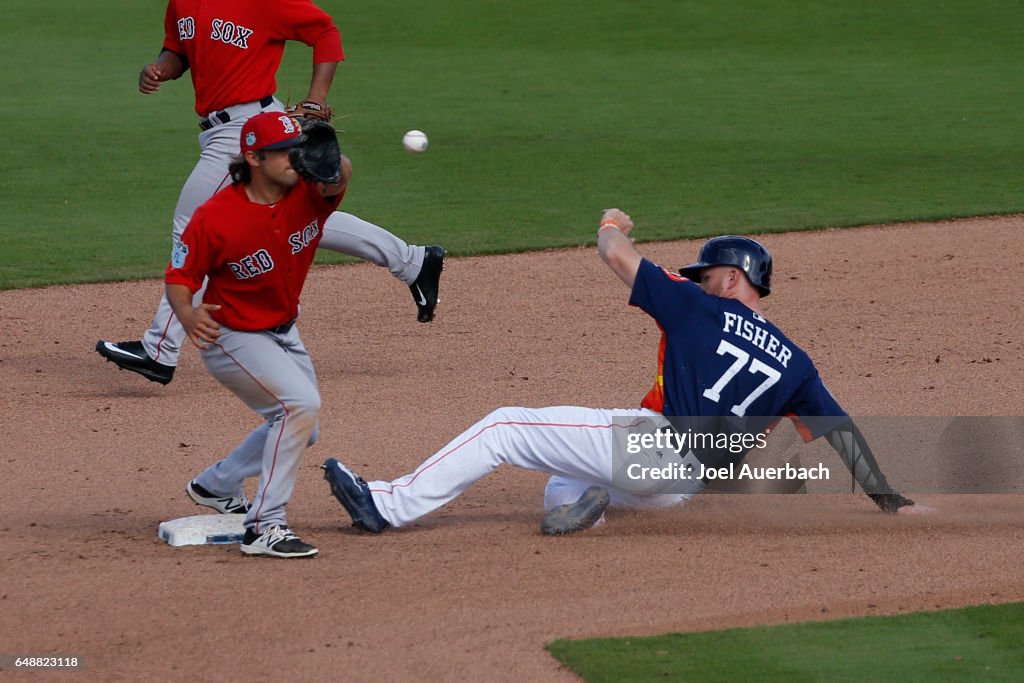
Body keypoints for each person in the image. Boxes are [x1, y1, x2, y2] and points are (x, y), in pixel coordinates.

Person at [321, 208, 922, 537]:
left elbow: (614, 254)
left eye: (705, 272)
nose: (695, 278)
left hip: (654, 450)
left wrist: (614, 223)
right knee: (568, 475)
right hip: (682, 487)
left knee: (503, 427)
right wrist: (892, 502)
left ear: (733, 279)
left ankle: (387, 505)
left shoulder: (697, 305)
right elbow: (845, 436)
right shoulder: (796, 361)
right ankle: (588, 508)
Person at [96, 0, 444, 386]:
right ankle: (414, 261)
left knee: (194, 222)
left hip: (251, 127)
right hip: (220, 129)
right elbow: (179, 49)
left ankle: (160, 349)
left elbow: (325, 32)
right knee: (289, 218)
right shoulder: (181, 3)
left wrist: (318, 97)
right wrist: (160, 68)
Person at [166, 111, 351, 557]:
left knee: (302, 427)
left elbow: (342, 174)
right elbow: (179, 277)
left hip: (285, 332)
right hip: (232, 337)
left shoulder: (308, 193)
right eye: (285, 152)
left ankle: (217, 484)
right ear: (253, 157)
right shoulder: (215, 217)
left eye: (299, 148)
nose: (296, 158)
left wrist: (328, 159)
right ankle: (265, 526)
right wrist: (188, 316)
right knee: (298, 407)